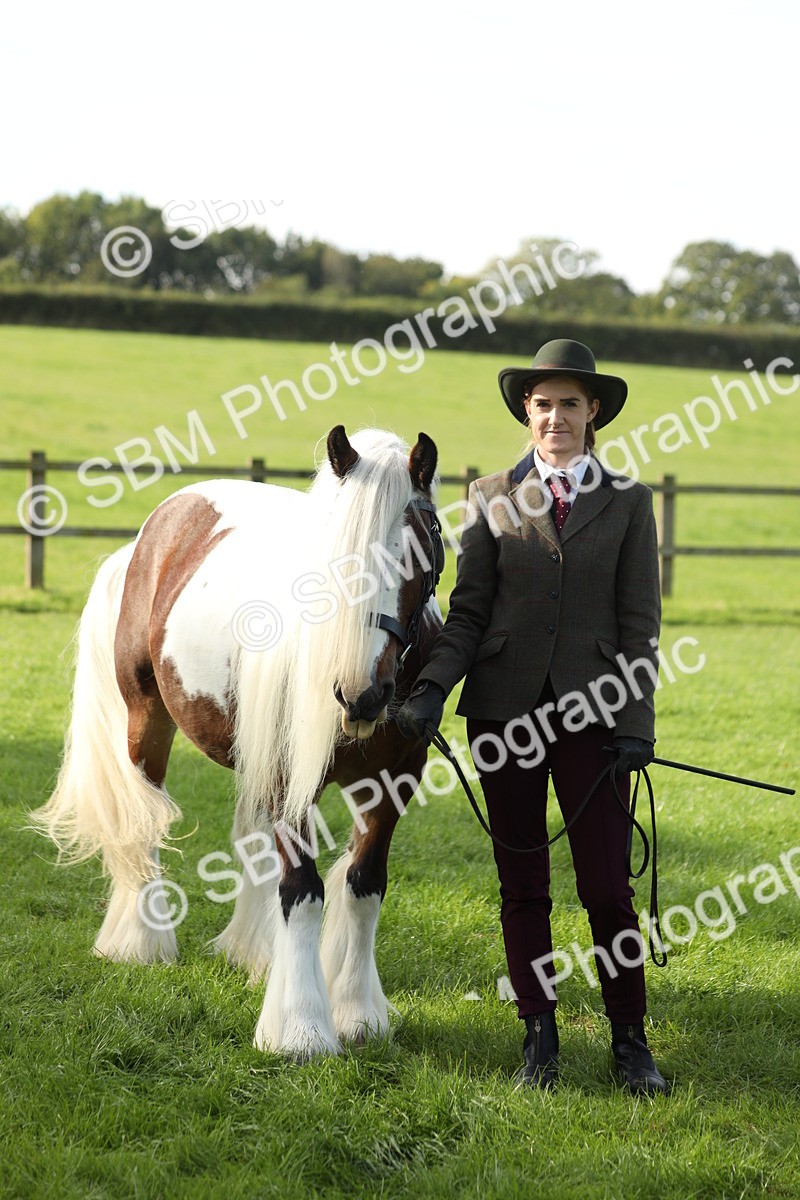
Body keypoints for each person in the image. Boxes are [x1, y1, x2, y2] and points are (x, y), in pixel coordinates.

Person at [397, 338, 668, 1095]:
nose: (556, 417)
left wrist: (637, 724)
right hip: (503, 714)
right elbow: (469, 612)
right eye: (543, 404)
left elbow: (640, 623)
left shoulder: (629, 501)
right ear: (527, 411)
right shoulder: (488, 496)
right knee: (523, 882)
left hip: (595, 717)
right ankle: (539, 1037)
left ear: (592, 415)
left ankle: (629, 1041)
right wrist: (430, 691)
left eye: (570, 405)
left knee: (608, 886)